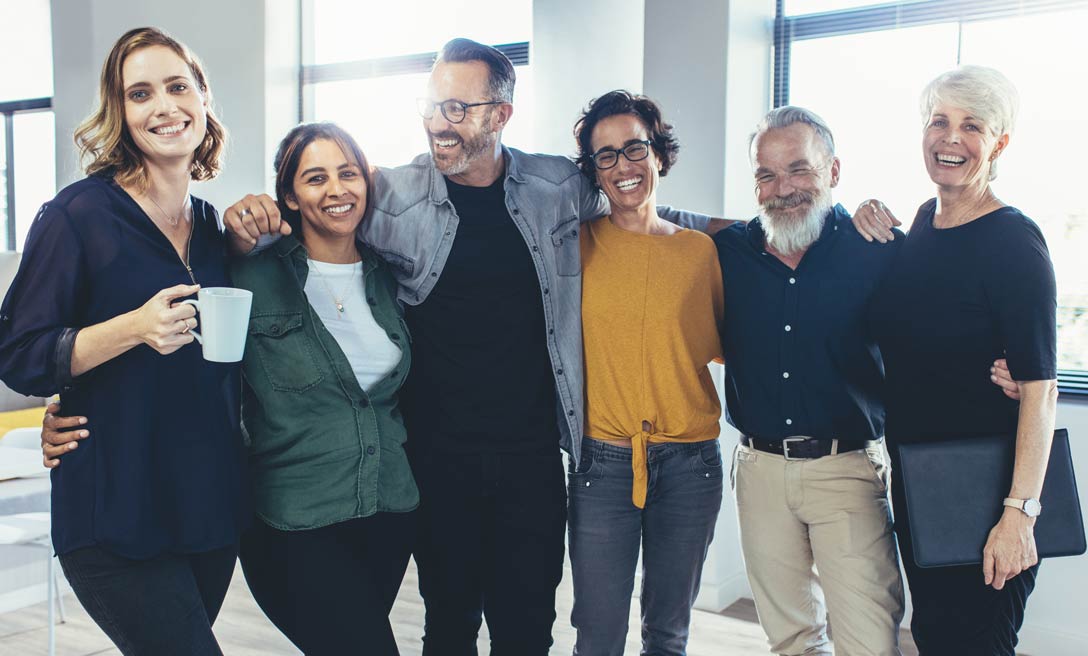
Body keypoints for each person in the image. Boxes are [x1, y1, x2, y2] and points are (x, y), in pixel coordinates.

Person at [219, 38, 718, 655]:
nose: (438, 122)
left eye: (457, 108)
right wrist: (244, 225)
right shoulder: (391, 195)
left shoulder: (555, 184)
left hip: (532, 460)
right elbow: (318, 213)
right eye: (432, 105)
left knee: (527, 629)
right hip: (436, 460)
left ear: (500, 114)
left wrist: (754, 233)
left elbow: (638, 207)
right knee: (449, 625)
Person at [0, 27, 248, 655]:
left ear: (202, 98)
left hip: (206, 505)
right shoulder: (76, 216)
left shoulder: (212, 226)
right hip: (113, 509)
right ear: (121, 114)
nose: (164, 106)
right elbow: (19, 354)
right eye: (140, 94)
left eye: (176, 86)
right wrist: (132, 329)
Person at [859, 66, 1058, 655]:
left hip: (988, 497)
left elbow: (1041, 390)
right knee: (935, 639)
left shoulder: (1014, 241)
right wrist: (866, 214)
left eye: (972, 126)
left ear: (999, 142)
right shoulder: (921, 222)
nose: (951, 138)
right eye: (939, 121)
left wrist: (1019, 515)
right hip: (921, 487)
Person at [712, 106, 906, 655]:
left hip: (845, 471)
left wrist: (1003, 365)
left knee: (868, 640)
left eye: (799, 169)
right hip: (758, 472)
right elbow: (660, 222)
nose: (783, 188)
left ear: (834, 172)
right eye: (766, 175)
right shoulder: (729, 252)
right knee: (791, 640)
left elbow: (933, 332)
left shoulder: (876, 246)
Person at [229, 123, 418, 655]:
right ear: (289, 195)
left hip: (388, 512)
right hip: (293, 523)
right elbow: (183, 371)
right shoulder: (249, 276)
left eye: (348, 173)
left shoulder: (393, 277)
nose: (337, 190)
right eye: (316, 178)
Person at [567, 90, 724, 655]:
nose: (622, 166)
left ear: (658, 153)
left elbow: (735, 343)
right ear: (593, 173)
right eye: (604, 156)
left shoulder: (701, 252)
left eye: (634, 148)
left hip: (691, 464)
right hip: (603, 466)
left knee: (668, 634)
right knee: (599, 636)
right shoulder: (572, 248)